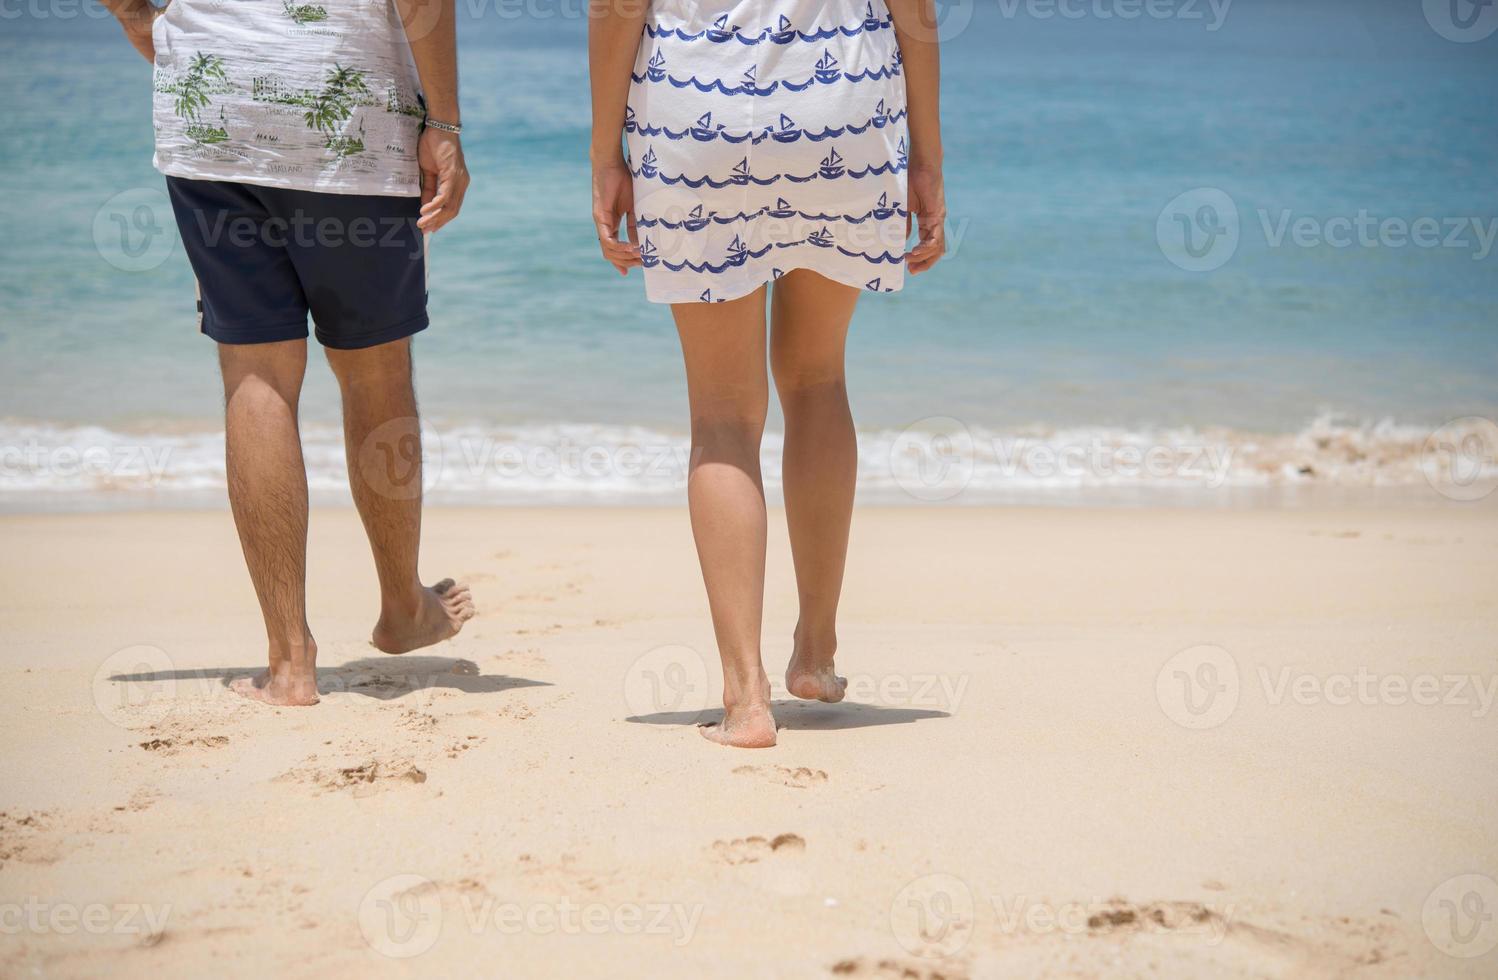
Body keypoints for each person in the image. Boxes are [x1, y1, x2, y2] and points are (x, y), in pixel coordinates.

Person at [588, 0, 947, 746]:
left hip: (699, 108)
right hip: (843, 110)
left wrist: (605, 154)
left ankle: (746, 696)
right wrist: (926, 158)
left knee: (723, 413)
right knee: (817, 381)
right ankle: (815, 649)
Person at [105, 0, 476, 706]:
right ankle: (403, 607)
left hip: (214, 109)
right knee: (375, 370)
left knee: (257, 373)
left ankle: (289, 660)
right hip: (348, 107)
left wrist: (133, 16)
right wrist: (446, 125)